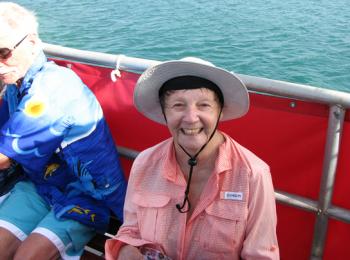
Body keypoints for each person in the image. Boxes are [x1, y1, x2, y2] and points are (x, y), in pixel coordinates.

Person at [105, 57, 280, 260]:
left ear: (220, 112)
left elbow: (261, 256)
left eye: (204, 105)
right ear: (164, 113)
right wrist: (126, 250)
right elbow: (130, 231)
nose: (190, 117)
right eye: (178, 105)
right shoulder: (144, 163)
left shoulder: (254, 174)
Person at [0, 2, 127, 259]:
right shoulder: (15, 83)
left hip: (86, 194)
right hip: (40, 184)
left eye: (4, 52)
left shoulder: (52, 89)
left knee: (27, 256)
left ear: (33, 43)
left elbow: (3, 158)